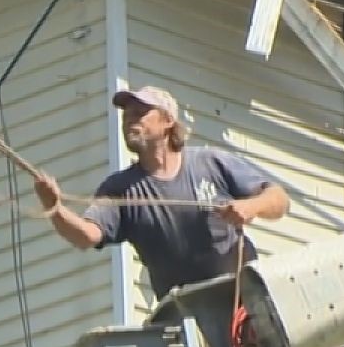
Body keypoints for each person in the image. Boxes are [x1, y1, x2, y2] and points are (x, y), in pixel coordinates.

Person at [33, 86, 290, 299]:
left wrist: (250, 207)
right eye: (126, 116)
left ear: (168, 121)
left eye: (140, 113)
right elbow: (86, 236)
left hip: (244, 300)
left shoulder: (210, 163)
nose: (130, 121)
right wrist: (54, 208)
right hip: (183, 316)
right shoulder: (120, 189)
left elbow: (279, 199)